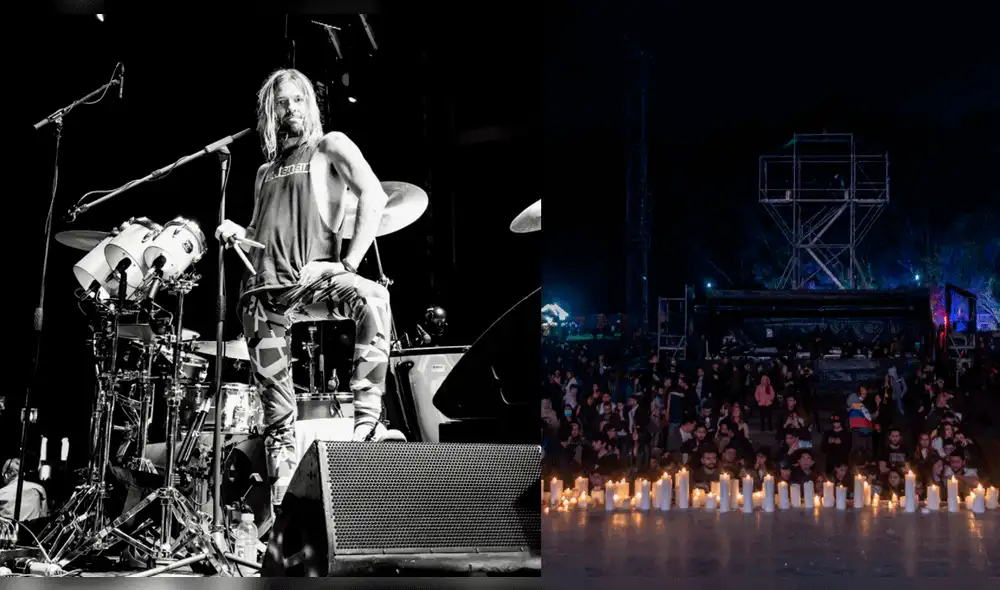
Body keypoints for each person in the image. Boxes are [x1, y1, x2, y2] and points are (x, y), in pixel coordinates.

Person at [215, 68, 405, 513]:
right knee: (277, 420)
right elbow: (263, 233)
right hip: (261, 297)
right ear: (270, 111)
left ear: (310, 105)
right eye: (282, 102)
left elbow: (373, 196)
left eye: (298, 100)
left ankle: (367, 425)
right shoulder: (264, 172)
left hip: (311, 281)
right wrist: (235, 232)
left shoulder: (329, 145)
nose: (291, 109)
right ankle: (285, 511)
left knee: (375, 298)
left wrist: (346, 263)